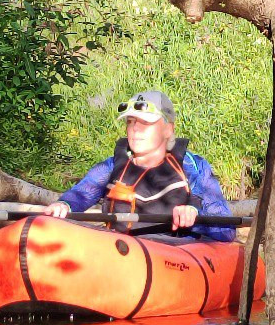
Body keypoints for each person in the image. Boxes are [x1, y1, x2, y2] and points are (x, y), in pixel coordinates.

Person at [42, 90, 236, 242]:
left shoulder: (192, 167)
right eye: (131, 121)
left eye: (145, 123)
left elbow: (226, 232)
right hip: (121, 254)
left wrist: (194, 215)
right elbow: (82, 192)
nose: (135, 129)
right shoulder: (112, 167)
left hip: (174, 257)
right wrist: (64, 204)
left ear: (168, 129)